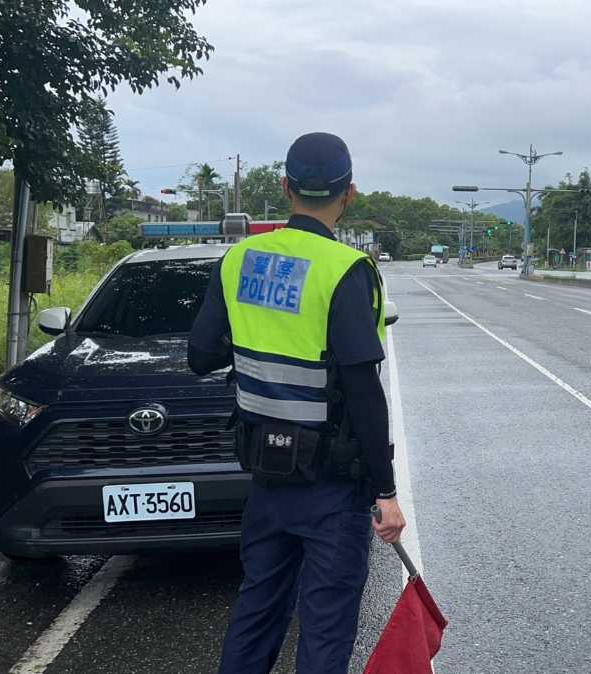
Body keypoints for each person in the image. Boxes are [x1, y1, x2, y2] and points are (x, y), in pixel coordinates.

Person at [188, 132, 406, 674]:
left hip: (266, 475)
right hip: (332, 487)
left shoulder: (239, 258)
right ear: (348, 193)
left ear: (284, 187)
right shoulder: (345, 269)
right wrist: (385, 491)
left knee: (258, 607)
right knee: (325, 625)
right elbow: (362, 390)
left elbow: (200, 355)